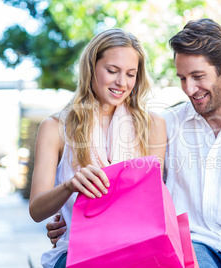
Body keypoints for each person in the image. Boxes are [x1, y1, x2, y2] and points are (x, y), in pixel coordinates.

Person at [47, 18, 221, 267]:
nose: (188, 89)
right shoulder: (166, 124)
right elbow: (127, 186)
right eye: (182, 78)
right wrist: (73, 219)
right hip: (194, 243)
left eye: (198, 76)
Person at [30, 28, 166, 268]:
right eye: (112, 71)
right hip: (78, 251)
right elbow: (36, 210)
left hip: (136, 249)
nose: (122, 83)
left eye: (130, 74)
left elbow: (154, 205)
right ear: (91, 68)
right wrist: (69, 187)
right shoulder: (55, 127)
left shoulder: (152, 125)